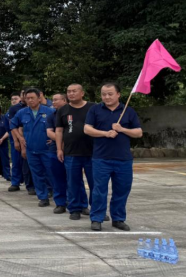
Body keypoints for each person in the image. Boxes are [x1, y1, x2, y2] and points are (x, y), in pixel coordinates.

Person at [84, 83, 142, 231]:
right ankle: (97, 218)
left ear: (118, 94)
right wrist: (105, 133)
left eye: (110, 94)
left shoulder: (128, 111)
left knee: (122, 190)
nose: (107, 97)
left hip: (123, 159)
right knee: (99, 190)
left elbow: (138, 132)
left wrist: (121, 129)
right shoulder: (95, 109)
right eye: (104, 94)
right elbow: (87, 129)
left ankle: (118, 219)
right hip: (101, 158)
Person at [55, 84, 95, 221]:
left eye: (74, 91)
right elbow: (59, 130)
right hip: (71, 153)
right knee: (73, 183)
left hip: (92, 152)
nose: (71, 94)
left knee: (95, 183)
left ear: (82, 93)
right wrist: (59, 149)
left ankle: (97, 209)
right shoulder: (63, 110)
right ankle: (75, 209)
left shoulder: (93, 107)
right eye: (68, 91)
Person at [11, 88, 55, 207]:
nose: (30, 100)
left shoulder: (50, 111)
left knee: (52, 173)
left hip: (47, 149)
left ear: (39, 98)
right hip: (31, 150)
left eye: (32, 98)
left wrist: (55, 138)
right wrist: (20, 138)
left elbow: (60, 127)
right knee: (37, 174)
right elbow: (12, 125)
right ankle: (43, 197)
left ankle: (58, 197)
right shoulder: (22, 112)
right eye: (27, 98)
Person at [46, 94, 69, 214]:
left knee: (74, 178)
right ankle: (60, 203)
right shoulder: (51, 116)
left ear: (64, 100)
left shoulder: (72, 113)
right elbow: (49, 132)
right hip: (55, 149)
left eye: (56, 100)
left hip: (73, 150)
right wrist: (62, 140)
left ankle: (78, 203)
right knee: (57, 178)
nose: (53, 102)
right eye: (53, 100)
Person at [6, 92, 30, 192]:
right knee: (16, 161)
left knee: (30, 163)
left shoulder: (37, 107)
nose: (25, 97)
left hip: (30, 139)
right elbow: (12, 126)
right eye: (23, 95)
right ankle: (15, 182)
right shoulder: (15, 108)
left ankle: (29, 183)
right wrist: (16, 140)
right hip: (16, 138)